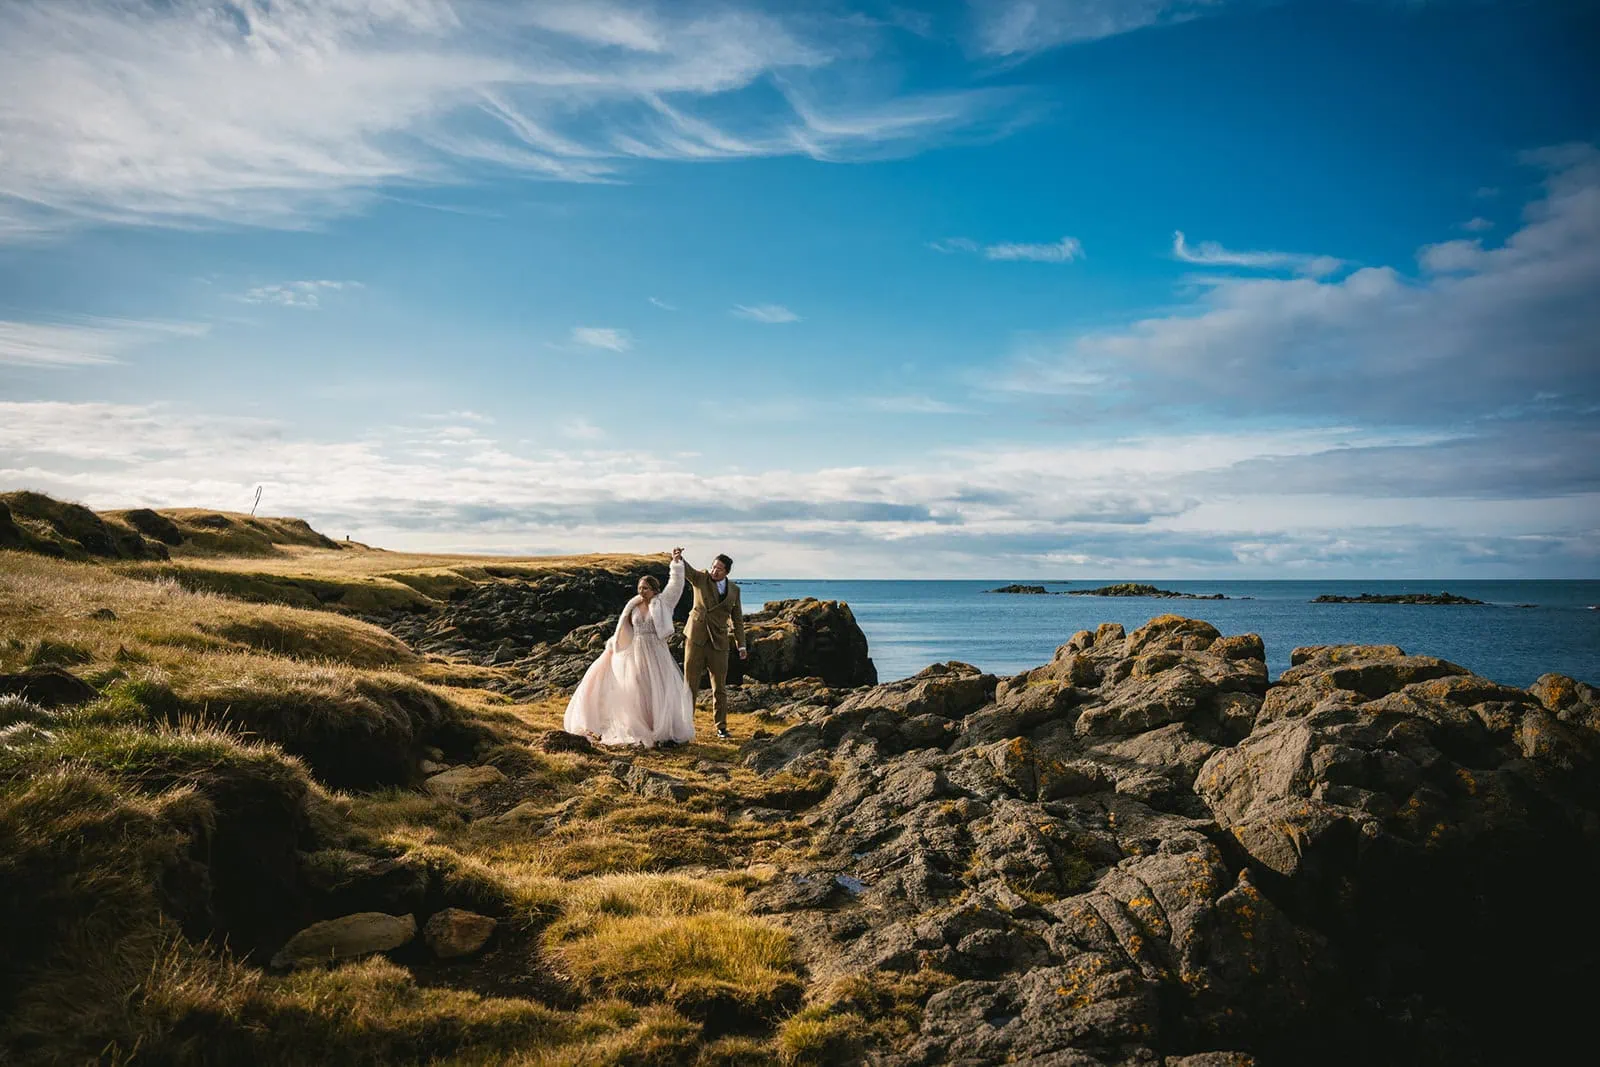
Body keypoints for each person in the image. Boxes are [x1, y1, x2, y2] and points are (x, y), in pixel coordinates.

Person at [562, 559, 694, 747]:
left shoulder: (663, 602)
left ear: (655, 590)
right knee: (639, 687)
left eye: (646, 588)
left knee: (659, 688)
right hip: (637, 650)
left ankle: (662, 729)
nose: (642, 591)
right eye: (640, 588)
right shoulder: (633, 605)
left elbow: (676, 584)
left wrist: (676, 564)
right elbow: (624, 629)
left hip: (657, 651)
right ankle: (644, 727)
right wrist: (614, 644)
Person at [672, 547, 746, 740]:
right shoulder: (701, 578)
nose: (714, 571)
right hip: (696, 637)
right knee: (690, 685)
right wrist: (679, 559)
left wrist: (741, 644)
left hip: (719, 641)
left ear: (726, 572)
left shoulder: (734, 590)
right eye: (713, 567)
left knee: (719, 687)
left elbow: (737, 620)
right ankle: (685, 725)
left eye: (719, 569)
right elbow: (688, 572)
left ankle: (721, 727)